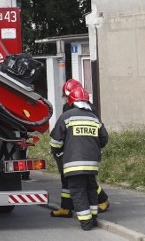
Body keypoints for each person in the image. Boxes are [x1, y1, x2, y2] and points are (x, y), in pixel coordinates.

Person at [50, 85, 109, 231]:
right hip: (92, 164)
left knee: (77, 191)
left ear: (71, 101)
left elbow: (55, 141)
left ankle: (86, 222)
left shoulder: (67, 116)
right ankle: (94, 217)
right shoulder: (94, 118)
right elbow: (104, 139)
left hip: (73, 163)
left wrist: (57, 151)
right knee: (91, 188)